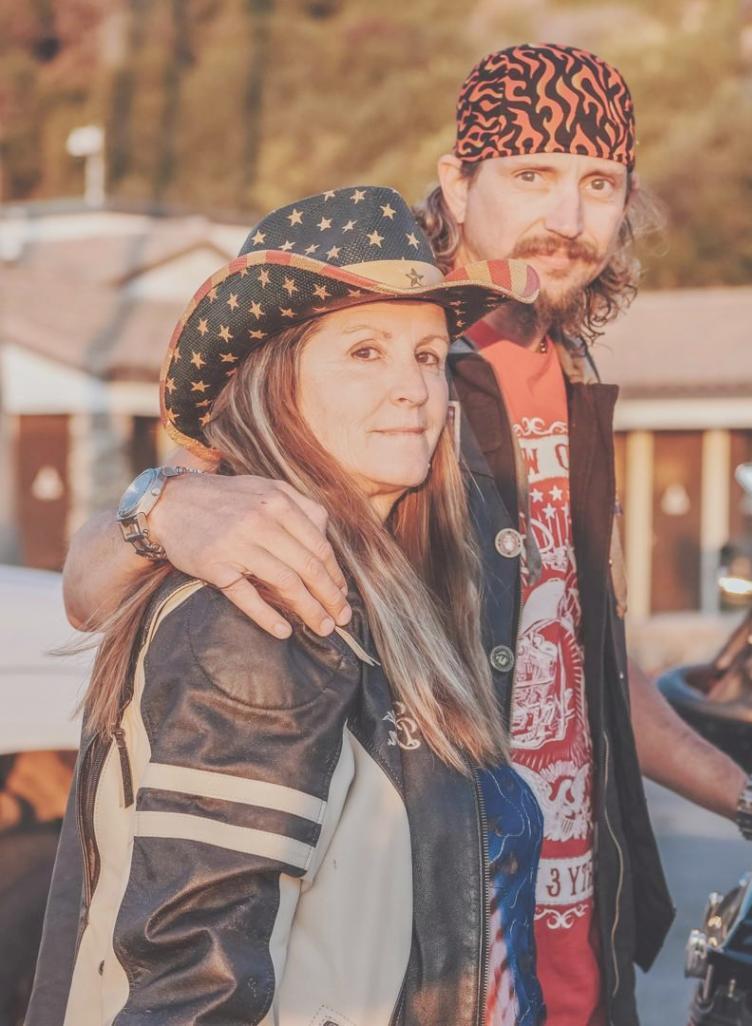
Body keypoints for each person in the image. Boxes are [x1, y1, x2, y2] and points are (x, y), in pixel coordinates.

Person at [59, 45, 752, 1026]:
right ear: (456, 184)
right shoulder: (377, 356)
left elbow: (587, 656)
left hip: (576, 929)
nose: (568, 217)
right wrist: (163, 506)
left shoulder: (569, 377)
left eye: (599, 184)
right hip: (424, 951)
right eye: (531, 176)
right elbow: (88, 588)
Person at [30, 189, 545, 1025]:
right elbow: (192, 990)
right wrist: (158, 505)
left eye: (427, 355)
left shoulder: (399, 590)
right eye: (366, 351)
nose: (414, 388)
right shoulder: (262, 617)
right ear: (280, 383)